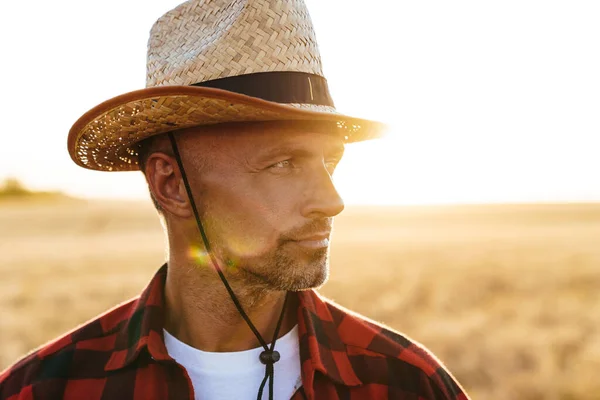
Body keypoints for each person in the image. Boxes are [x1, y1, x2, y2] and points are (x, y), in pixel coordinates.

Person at [0, 0, 470, 399]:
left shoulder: (404, 382)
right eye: (283, 164)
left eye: (330, 163)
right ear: (172, 184)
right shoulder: (46, 388)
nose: (332, 201)